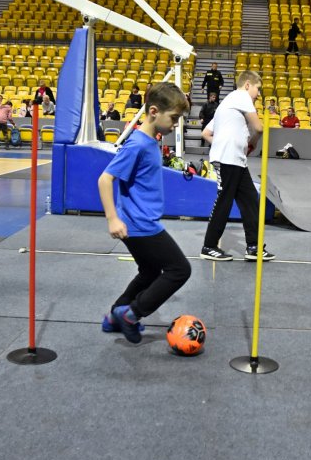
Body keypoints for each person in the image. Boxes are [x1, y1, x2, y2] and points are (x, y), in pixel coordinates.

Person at [97, 82, 192, 344]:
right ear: (153, 112)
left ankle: (114, 317)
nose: (175, 124)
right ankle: (131, 314)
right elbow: (105, 180)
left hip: (140, 222)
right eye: (173, 118)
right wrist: (112, 218)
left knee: (150, 273)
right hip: (139, 225)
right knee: (179, 270)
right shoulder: (137, 144)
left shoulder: (151, 141)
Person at [200, 70, 275, 262]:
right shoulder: (241, 96)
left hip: (235, 159)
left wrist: (223, 141)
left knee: (250, 200)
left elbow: (206, 134)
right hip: (228, 159)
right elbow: (258, 127)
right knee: (224, 201)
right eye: (258, 89)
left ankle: (253, 246)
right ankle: (209, 246)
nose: (258, 94)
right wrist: (253, 142)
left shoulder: (226, 102)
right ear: (248, 85)